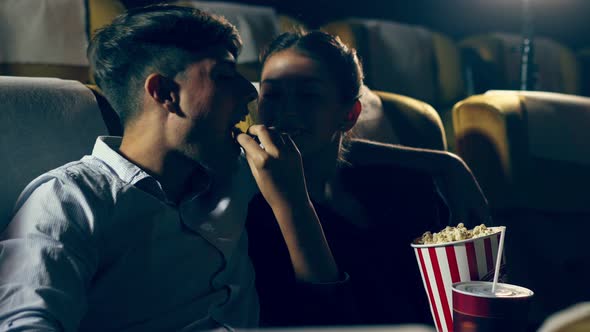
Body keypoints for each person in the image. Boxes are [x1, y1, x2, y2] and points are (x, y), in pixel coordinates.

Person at [0, 6, 345, 331]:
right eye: (225, 75)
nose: (248, 92)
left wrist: (295, 202)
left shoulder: (239, 172)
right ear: (165, 92)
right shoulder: (71, 200)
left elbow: (329, 313)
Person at [246, 30, 490, 326]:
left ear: (349, 115)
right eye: (272, 94)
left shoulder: (410, 191)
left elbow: (455, 302)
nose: (286, 110)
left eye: (308, 95)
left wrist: (447, 162)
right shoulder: (250, 208)